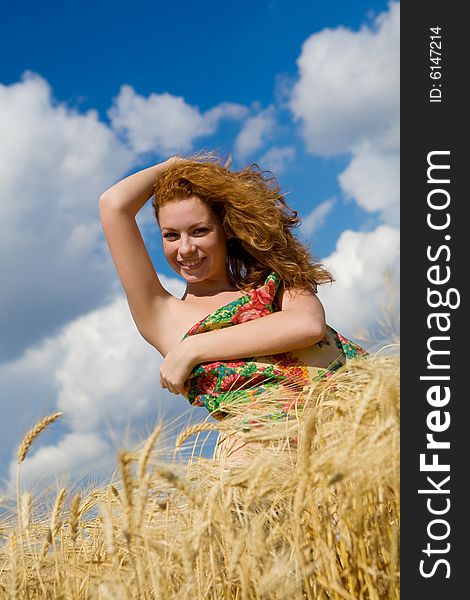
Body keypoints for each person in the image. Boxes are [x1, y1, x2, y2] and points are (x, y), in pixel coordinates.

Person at [98, 154, 367, 459]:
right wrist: (173, 165)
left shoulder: (275, 278)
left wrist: (192, 350)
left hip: (359, 430)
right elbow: (113, 205)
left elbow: (307, 325)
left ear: (225, 229)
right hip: (263, 465)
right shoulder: (162, 315)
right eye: (171, 235)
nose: (185, 249)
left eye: (199, 230)